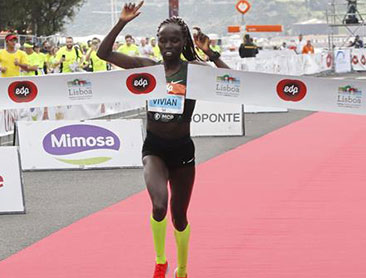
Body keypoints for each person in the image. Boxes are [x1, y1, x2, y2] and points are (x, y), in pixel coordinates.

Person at [97, 2, 229, 278]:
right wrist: (122, 22)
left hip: (182, 152)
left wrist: (211, 53)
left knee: (179, 217)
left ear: (183, 43)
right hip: (154, 149)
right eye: (163, 40)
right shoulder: (147, 68)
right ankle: (160, 261)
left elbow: (232, 81)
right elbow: (104, 53)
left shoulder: (195, 70)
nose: (168, 44)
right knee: (159, 206)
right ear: (157, 42)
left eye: (174, 40)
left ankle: (182, 268)